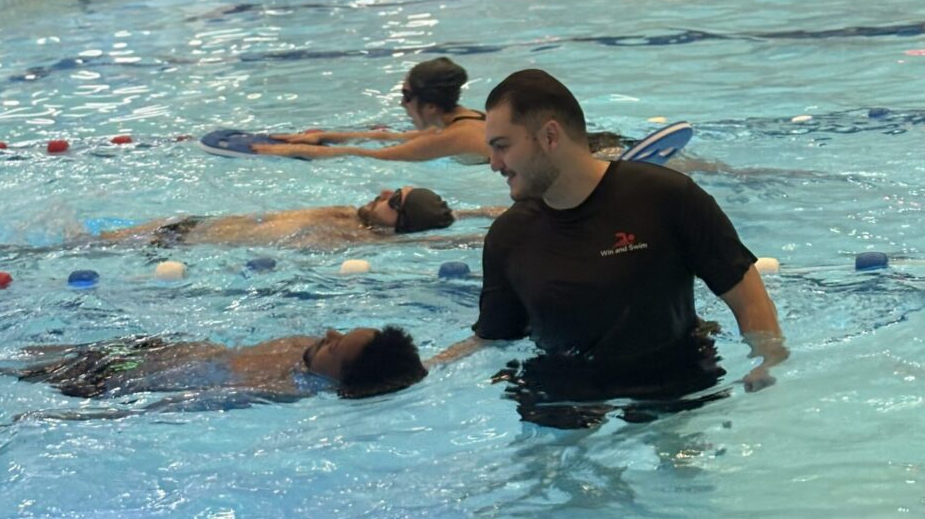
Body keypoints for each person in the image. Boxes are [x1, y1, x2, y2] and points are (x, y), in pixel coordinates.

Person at [443, 69, 787, 402]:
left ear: (550, 137)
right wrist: (423, 372)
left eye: (502, 146)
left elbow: (744, 292)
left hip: (673, 381)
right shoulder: (508, 237)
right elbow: (492, 338)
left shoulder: (665, 197)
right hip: (563, 395)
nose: (493, 163)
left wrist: (767, 361)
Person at [0, 326, 432, 404]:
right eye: (340, 330)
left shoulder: (281, 388)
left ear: (336, 379)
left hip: (117, 379)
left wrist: (76, 415)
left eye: (335, 347)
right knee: (18, 355)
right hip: (145, 347)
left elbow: (185, 405)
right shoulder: (305, 347)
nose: (327, 335)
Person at [97, 185, 502, 250]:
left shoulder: (357, 238)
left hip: (183, 245)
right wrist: (477, 212)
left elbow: (426, 236)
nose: (381, 193)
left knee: (84, 246)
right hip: (190, 224)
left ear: (399, 222)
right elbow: (433, 222)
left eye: (393, 199)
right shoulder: (356, 214)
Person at [251, 57, 492, 164]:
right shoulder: (463, 119)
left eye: (407, 97)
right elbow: (390, 137)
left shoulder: (454, 136)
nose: (402, 104)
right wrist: (324, 136)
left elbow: (371, 155)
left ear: (430, 106)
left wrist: (295, 150)